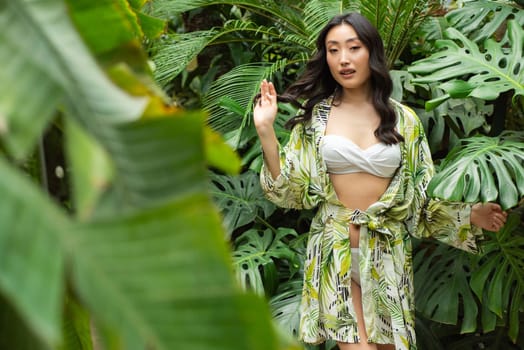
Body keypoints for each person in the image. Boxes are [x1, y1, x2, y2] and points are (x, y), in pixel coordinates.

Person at [253, 12, 507, 350]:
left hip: (387, 254)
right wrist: (266, 131)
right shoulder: (316, 120)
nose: (343, 59)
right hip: (335, 251)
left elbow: (420, 200)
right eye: (333, 50)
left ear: (370, 51)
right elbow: (289, 193)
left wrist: (470, 214)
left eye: (353, 47)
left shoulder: (404, 120)